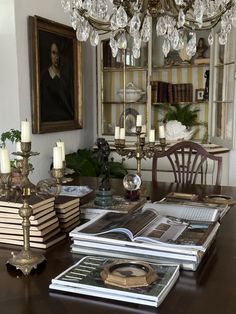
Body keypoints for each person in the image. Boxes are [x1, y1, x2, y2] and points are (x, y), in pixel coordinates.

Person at [40, 42, 74, 122]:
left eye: (58, 54)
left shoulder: (66, 76)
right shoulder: (45, 77)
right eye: (54, 53)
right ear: (49, 54)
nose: (57, 57)